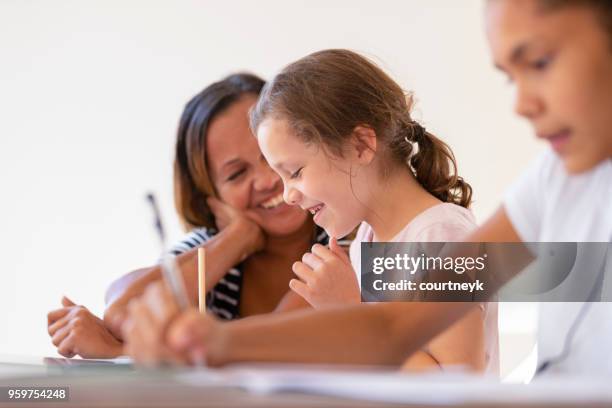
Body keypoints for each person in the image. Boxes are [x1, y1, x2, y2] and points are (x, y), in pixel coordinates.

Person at [124, 0, 611, 374]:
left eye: (541, 62)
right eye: (510, 77)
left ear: (361, 143)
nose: (522, 104)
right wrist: (213, 343)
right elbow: (392, 328)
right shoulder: (552, 181)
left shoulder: (439, 230)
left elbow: (454, 371)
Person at [124, 50, 499, 373]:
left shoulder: (442, 236)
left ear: (361, 144)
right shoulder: (364, 242)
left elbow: (458, 382)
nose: (288, 195)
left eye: (296, 172)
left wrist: (349, 312)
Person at [46, 73, 330, 359]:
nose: (267, 179)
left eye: (270, 157)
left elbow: (273, 347)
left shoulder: (350, 231)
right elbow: (120, 311)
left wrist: (121, 351)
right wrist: (238, 238)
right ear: (210, 194)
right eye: (236, 174)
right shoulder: (212, 247)